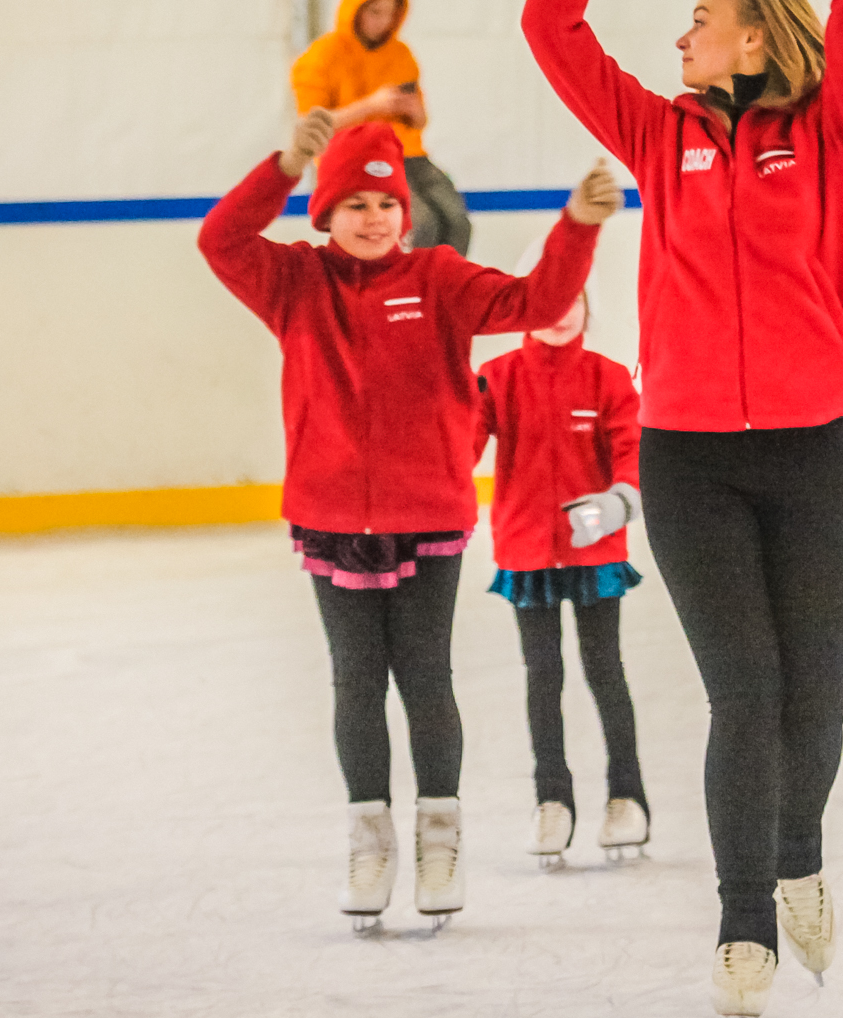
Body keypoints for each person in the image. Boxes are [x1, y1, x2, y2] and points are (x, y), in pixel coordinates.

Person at [520, 0, 843, 1011]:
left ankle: (800, 860)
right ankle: (743, 930)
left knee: (813, 701)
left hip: (808, 451)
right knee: (745, 692)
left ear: (751, 42)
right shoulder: (654, 131)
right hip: (687, 459)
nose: (681, 34)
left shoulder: (832, 132)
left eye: (700, 21)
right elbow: (551, 27)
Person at [197, 110, 611, 933]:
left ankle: (438, 837)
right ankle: (369, 837)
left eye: (386, 205)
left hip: (429, 514)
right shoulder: (294, 283)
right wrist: (282, 165)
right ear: (325, 214)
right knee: (356, 678)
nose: (374, 218)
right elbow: (219, 240)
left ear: (405, 213)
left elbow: (540, 300)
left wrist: (577, 227)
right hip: (329, 516)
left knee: (425, 675)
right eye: (354, 205)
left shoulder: (441, 278)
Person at [473, 226, 650, 869]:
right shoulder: (495, 379)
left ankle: (628, 795)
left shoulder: (607, 381)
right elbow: (460, 444)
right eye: (546, 302)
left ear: (586, 307)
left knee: (605, 671)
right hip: (526, 554)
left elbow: (633, 458)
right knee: (542, 676)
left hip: (595, 552)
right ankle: (553, 798)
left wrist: (616, 504)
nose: (558, 314)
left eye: (571, 300)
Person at [291, 0, 475, 254]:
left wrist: (414, 111)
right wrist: (371, 105)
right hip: (354, 158)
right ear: (355, 10)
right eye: (376, 13)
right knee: (421, 224)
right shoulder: (321, 57)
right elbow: (311, 124)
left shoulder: (401, 55)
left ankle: (447, 294)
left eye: (391, 14)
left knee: (457, 222)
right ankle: (413, 293)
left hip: (408, 153)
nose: (384, 22)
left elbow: (419, 122)